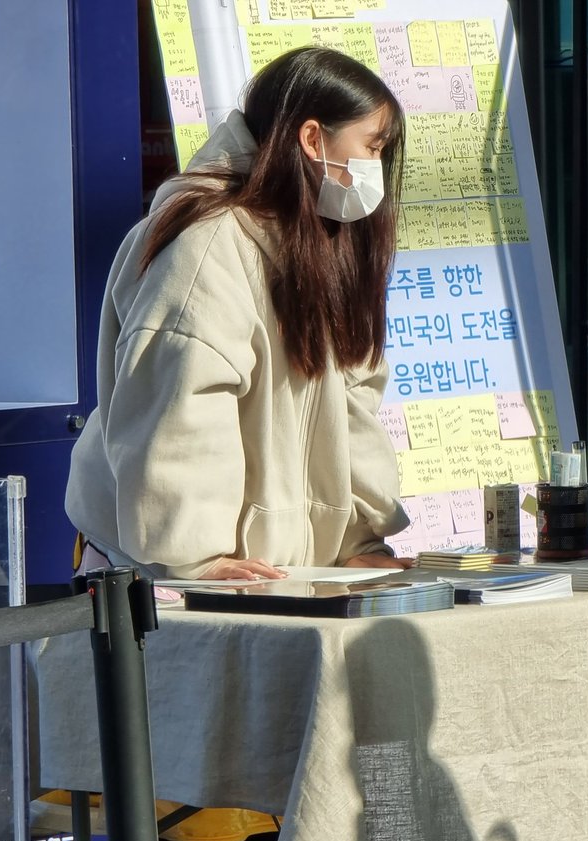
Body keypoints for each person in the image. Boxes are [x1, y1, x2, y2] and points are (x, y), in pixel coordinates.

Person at [67, 46, 413, 582]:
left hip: (278, 573)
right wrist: (196, 554)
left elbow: (355, 401)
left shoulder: (324, 238)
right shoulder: (207, 243)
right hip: (158, 576)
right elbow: (182, 405)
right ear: (313, 139)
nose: (377, 170)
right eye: (371, 148)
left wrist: (359, 541)